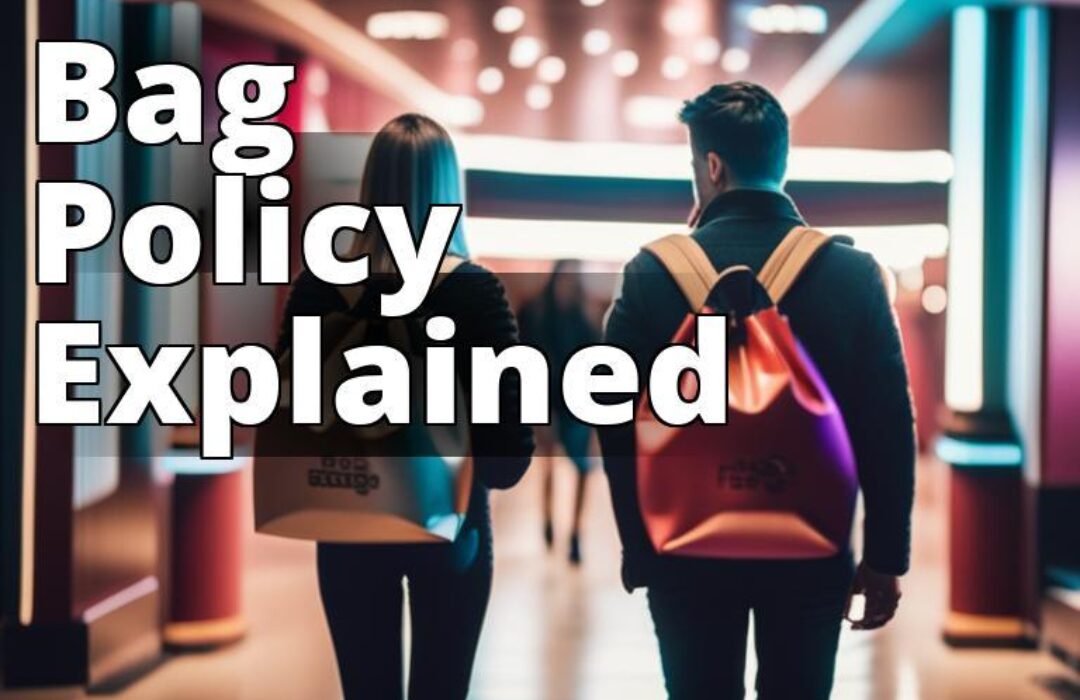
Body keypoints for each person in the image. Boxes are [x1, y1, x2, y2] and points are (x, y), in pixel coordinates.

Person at [599, 82, 916, 699]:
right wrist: (885, 557)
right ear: (781, 161)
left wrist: (640, 545)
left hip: (686, 549)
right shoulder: (853, 276)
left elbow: (612, 420)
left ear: (711, 166)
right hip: (810, 548)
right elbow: (887, 427)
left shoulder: (652, 274)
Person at [276, 114, 534, 700]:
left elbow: (288, 405)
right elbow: (506, 460)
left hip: (344, 518)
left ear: (369, 189)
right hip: (450, 528)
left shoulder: (318, 286)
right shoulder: (474, 291)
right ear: (451, 192)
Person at [518, 260, 600, 564]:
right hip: (546, 400)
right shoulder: (537, 314)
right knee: (549, 465)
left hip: (577, 403)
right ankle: (549, 520)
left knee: (582, 468)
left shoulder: (584, 317)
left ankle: (576, 533)